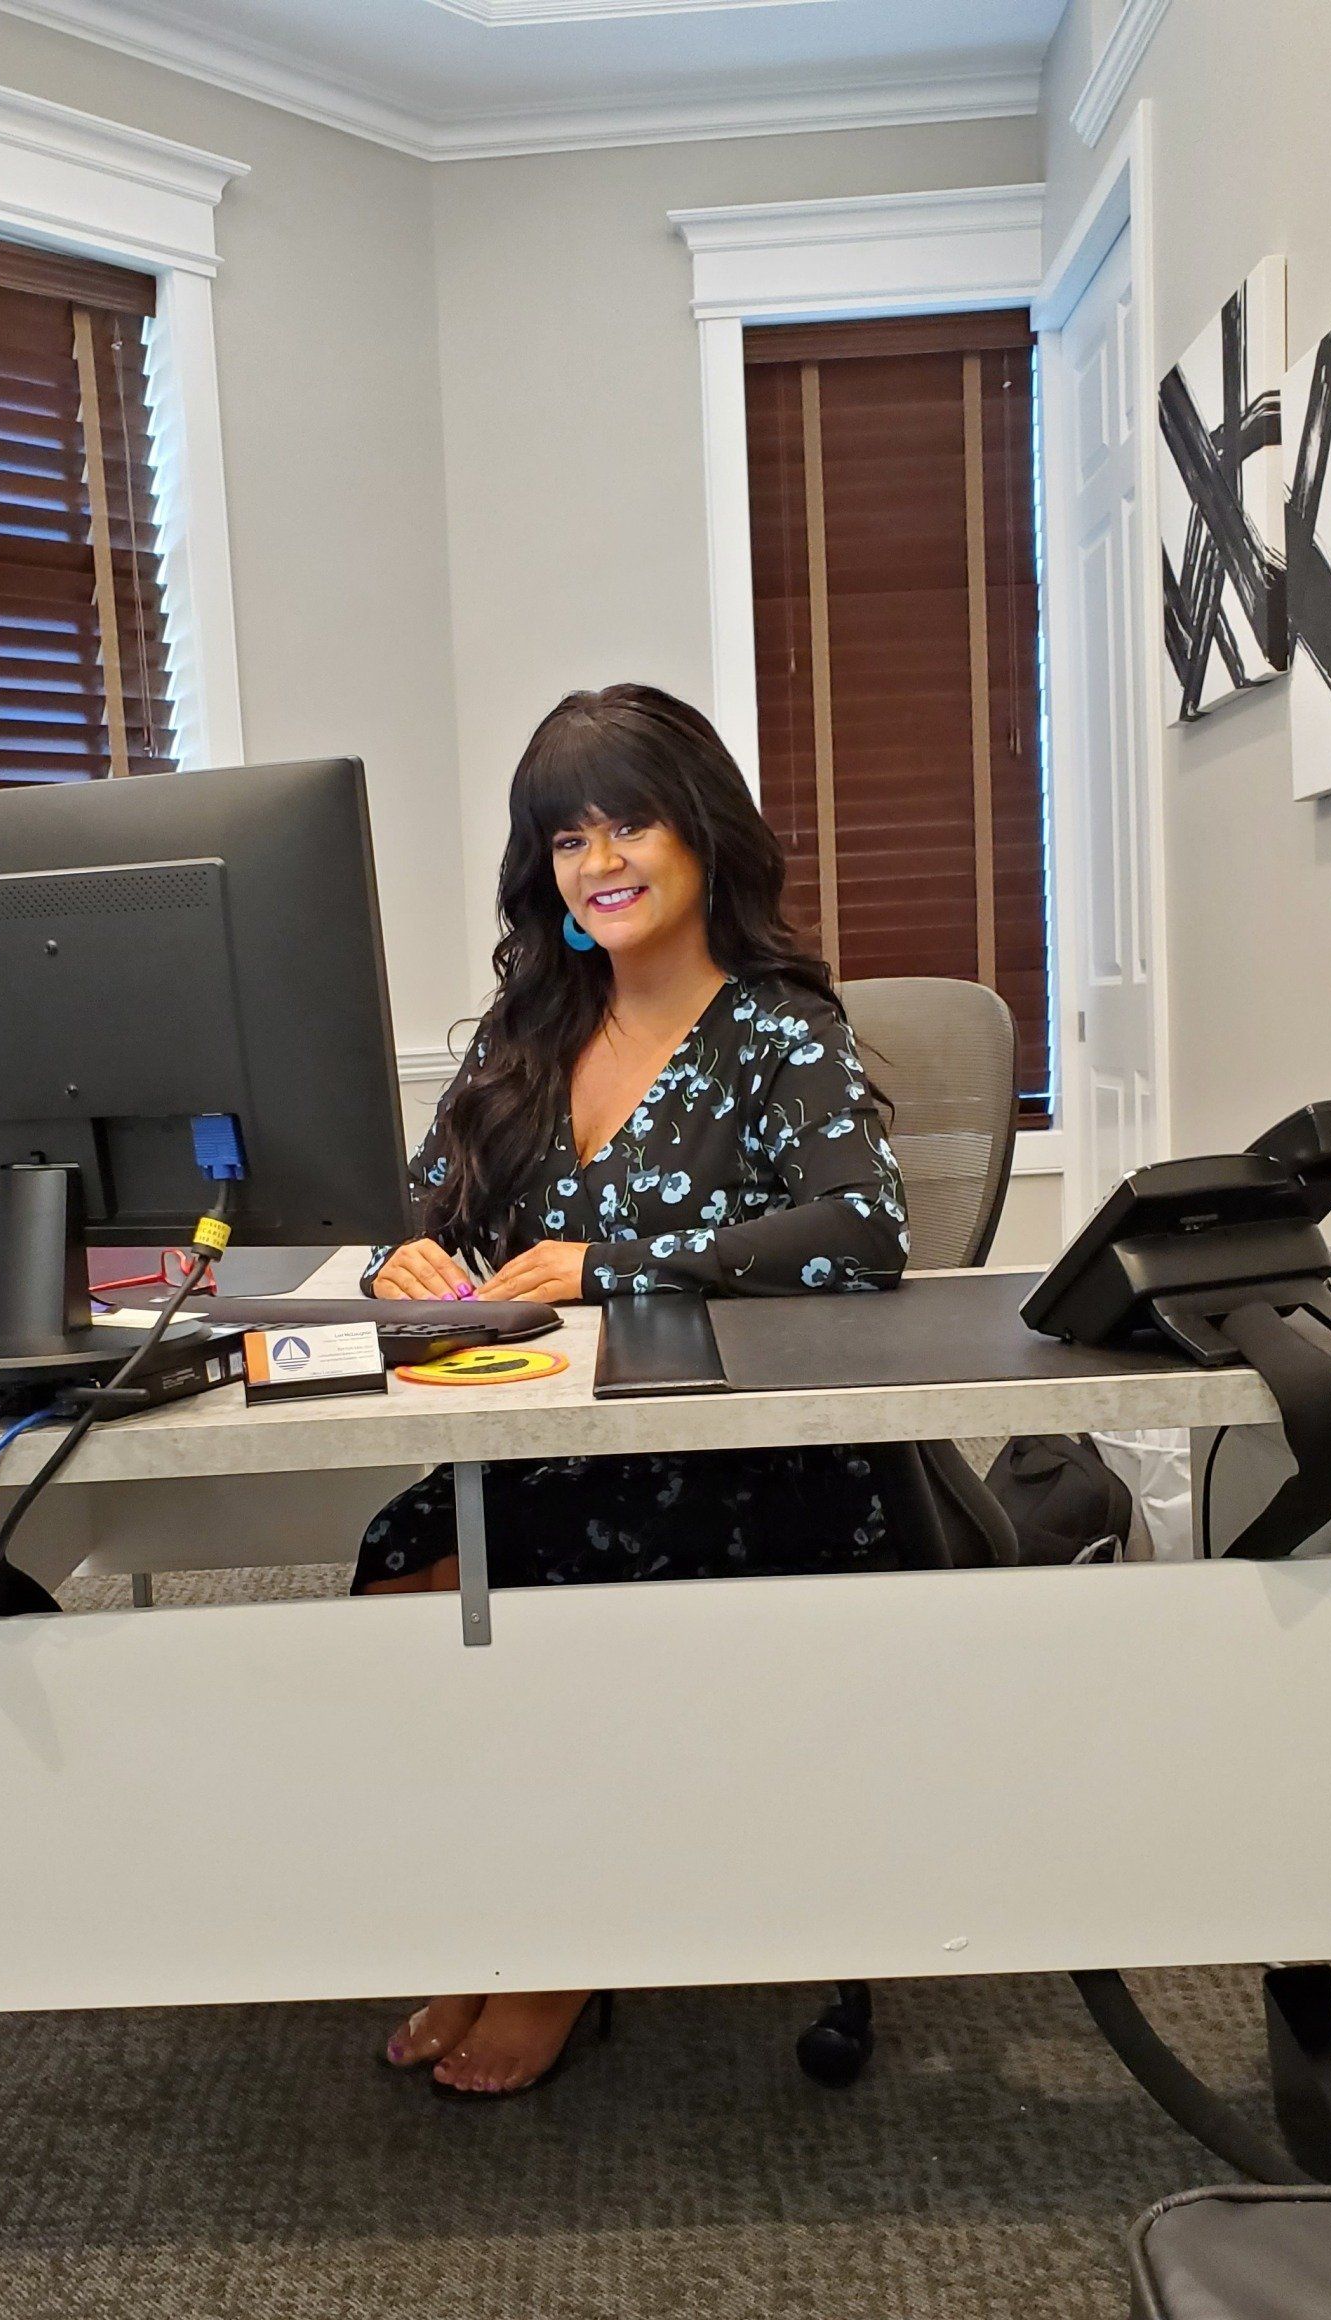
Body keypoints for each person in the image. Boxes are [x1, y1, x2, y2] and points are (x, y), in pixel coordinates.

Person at [357, 683, 912, 2096]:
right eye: (564, 839)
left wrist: (614, 1261)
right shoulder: (527, 1033)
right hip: (562, 1441)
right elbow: (414, 1210)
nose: (597, 862)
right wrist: (409, 1262)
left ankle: (561, 1939)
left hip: (737, 1455)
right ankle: (505, 1901)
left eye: (630, 823)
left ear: (704, 837)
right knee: (404, 1567)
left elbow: (862, 1232)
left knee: (535, 1584)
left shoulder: (778, 1032)